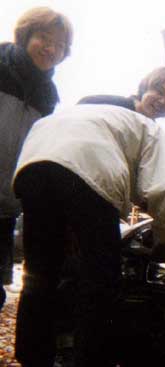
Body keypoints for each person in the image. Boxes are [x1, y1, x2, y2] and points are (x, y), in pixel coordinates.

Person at [13, 104, 165, 367]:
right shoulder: (154, 132)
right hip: (87, 167)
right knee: (100, 284)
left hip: (34, 162)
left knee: (40, 276)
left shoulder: (107, 119)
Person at [0, 7, 72, 309]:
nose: (51, 49)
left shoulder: (48, 95)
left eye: (60, 45)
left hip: (4, 203)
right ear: (25, 35)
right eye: (44, 38)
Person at [78, 66, 165, 119]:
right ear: (146, 87)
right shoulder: (112, 105)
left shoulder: (154, 136)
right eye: (160, 92)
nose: (163, 101)